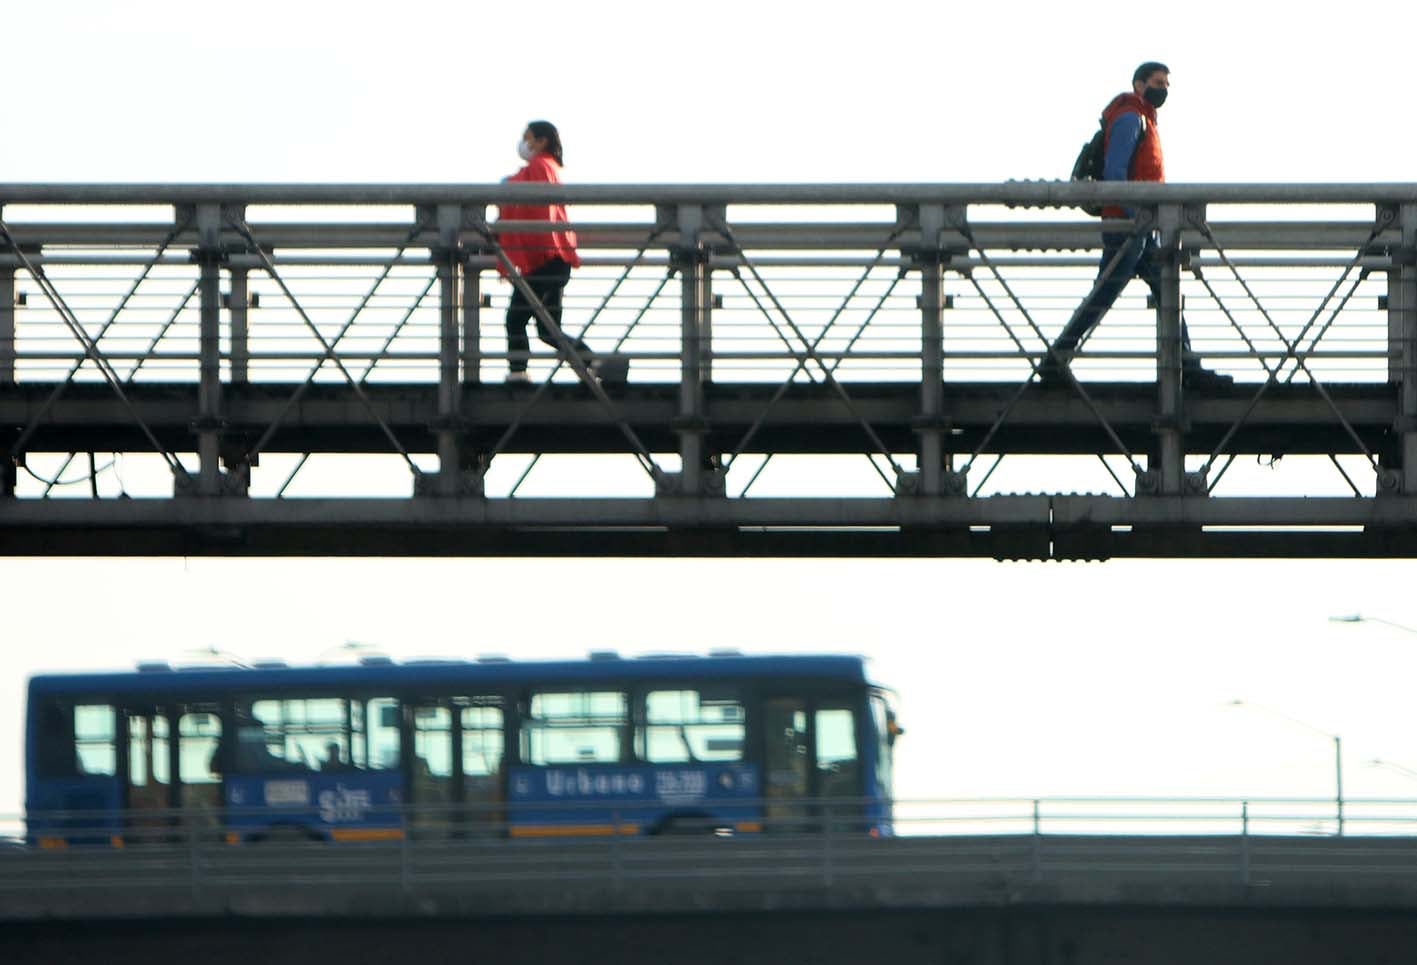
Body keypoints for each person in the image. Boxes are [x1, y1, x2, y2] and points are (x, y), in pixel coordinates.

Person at [1041, 63, 1228, 387]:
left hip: (1141, 227)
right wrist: (1136, 215)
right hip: (1128, 226)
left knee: (1165, 289)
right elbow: (1115, 173)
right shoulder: (1130, 117)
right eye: (1158, 82)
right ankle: (1056, 360)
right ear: (1139, 85)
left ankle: (1187, 366)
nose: (1163, 89)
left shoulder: (1143, 118)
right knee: (1108, 291)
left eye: (1166, 84)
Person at [497, 120, 594, 383]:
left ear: (541, 141)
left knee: (516, 318)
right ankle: (593, 362)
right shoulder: (549, 168)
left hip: (545, 260)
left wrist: (504, 189)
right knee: (548, 330)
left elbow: (526, 202)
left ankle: (518, 372)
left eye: (527, 138)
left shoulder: (539, 167)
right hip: (556, 260)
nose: (523, 143)